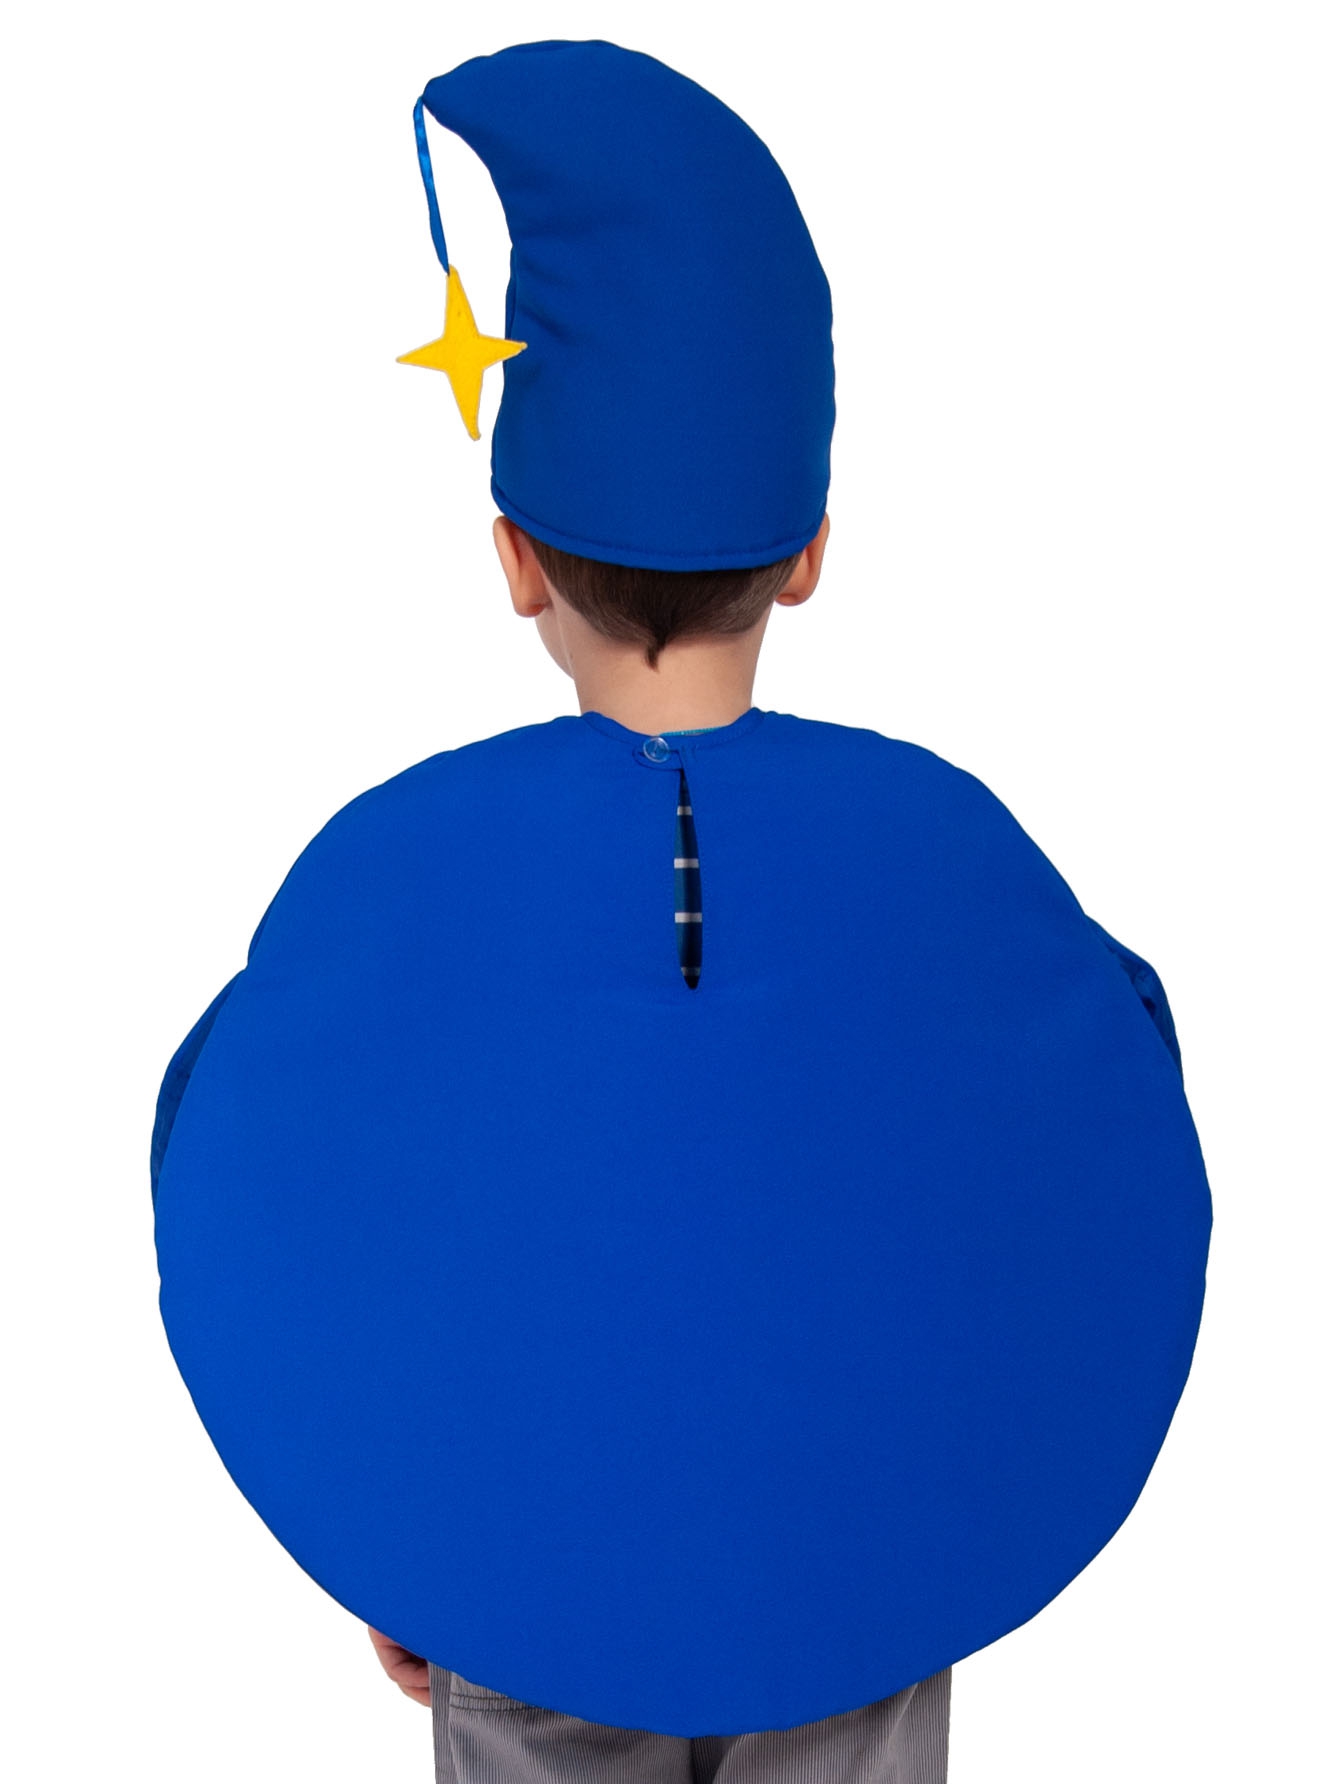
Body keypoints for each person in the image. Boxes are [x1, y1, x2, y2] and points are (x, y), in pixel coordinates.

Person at [150, 39, 1211, 1784]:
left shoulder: (393, 865)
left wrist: (390, 1519)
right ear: (808, 548)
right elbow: (1103, 1099)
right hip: (864, 1567)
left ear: (513, 559)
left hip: (517, 1569)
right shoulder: (949, 847)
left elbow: (251, 1149)